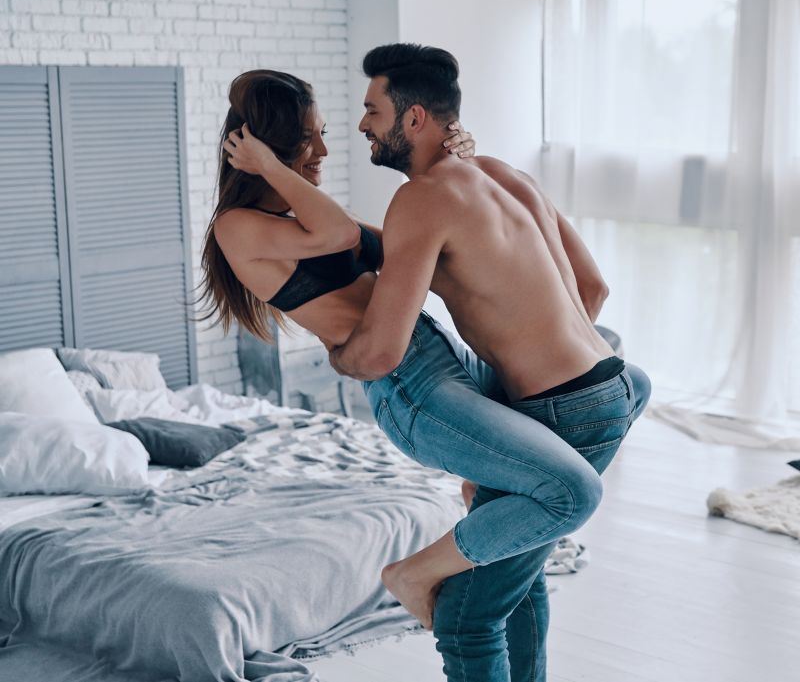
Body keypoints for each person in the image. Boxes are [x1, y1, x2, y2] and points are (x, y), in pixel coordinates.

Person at [200, 66, 649, 682]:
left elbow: (422, 244)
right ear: (265, 148)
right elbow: (343, 243)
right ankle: (412, 575)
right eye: (309, 139)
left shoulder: (307, 220)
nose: (327, 150)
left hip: (442, 364)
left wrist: (461, 172)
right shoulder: (237, 227)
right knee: (569, 496)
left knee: (521, 556)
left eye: (329, 132)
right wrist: (269, 169)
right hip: (410, 388)